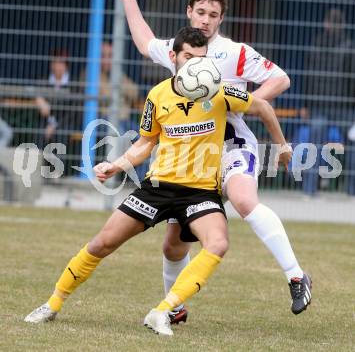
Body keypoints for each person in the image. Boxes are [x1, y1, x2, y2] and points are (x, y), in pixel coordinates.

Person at [24, 27, 292, 336]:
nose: (195, 65)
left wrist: (282, 147)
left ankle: (162, 311)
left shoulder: (218, 91)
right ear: (175, 57)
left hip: (200, 193)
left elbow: (263, 108)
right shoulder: (158, 94)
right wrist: (117, 164)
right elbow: (145, 142)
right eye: (189, 57)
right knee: (102, 243)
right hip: (159, 187)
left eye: (201, 58)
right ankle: (52, 303)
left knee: (218, 243)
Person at [116, 0, 312, 321]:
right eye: (201, 12)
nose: (206, 20)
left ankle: (296, 276)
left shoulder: (233, 52)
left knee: (243, 200)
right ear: (190, 12)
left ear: (221, 19)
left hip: (233, 146)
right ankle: (174, 309)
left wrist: (241, 108)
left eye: (214, 15)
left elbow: (280, 78)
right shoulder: (181, 47)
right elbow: (145, 42)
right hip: (193, 159)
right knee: (173, 244)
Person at [298, 8, 355, 196]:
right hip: (344, 105)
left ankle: (309, 190)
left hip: (318, 105)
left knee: (314, 145)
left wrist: (305, 104)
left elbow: (308, 77)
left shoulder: (315, 44)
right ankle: (351, 190)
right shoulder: (349, 46)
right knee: (352, 144)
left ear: (326, 23)